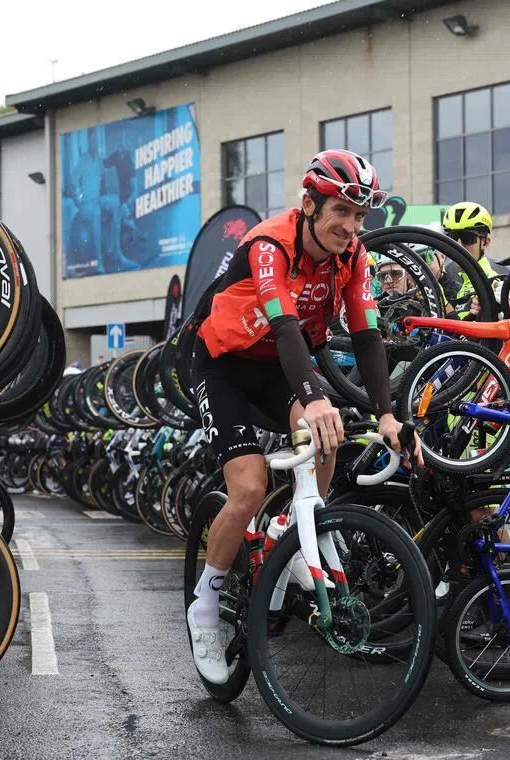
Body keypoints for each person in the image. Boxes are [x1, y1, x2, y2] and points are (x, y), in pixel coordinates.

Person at [186, 149, 421, 684]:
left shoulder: (354, 257)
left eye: (360, 216)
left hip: (276, 365)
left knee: (328, 430)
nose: (352, 226)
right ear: (310, 204)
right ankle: (206, 605)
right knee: (246, 489)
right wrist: (312, 397)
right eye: (342, 211)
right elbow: (287, 326)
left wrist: (386, 414)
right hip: (221, 361)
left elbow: (366, 336)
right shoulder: (270, 244)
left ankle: (294, 532)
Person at [440, 201, 507, 316]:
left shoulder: (491, 284)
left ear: (485, 242)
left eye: (468, 237)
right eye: (452, 237)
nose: (458, 245)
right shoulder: (463, 284)